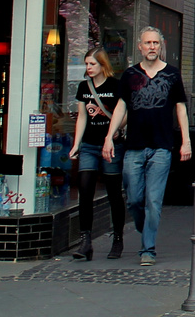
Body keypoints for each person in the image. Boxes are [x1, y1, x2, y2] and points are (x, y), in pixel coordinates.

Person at [103, 27, 190, 266]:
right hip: (134, 146)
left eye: (155, 43)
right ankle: (144, 227)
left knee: (153, 200)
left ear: (160, 46)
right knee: (134, 199)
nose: (152, 47)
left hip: (162, 146)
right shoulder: (130, 75)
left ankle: (148, 249)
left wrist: (186, 141)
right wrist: (109, 136)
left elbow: (180, 107)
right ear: (139, 47)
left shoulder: (172, 74)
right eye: (147, 43)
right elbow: (122, 106)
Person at [68, 47, 126, 260]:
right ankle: (85, 241)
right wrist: (76, 144)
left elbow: (124, 113)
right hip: (90, 146)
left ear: (103, 65)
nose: (88, 68)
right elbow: (82, 116)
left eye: (92, 64)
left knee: (113, 192)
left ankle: (117, 238)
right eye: (86, 64)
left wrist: (116, 132)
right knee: (84, 190)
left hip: (111, 146)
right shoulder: (84, 87)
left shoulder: (115, 86)